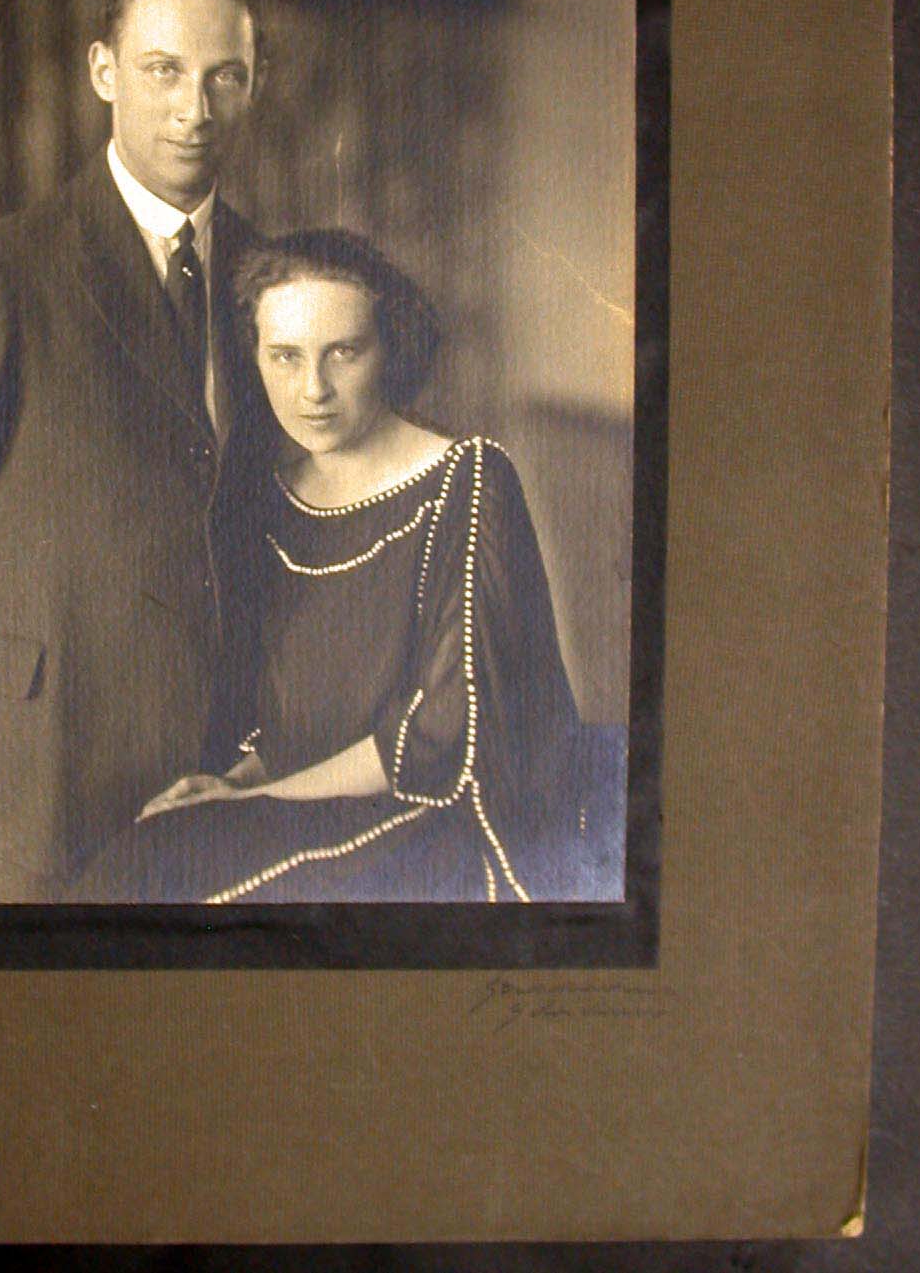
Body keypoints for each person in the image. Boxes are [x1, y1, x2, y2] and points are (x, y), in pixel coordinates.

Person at [0, 0, 275, 902]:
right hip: (33, 779)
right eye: (162, 70)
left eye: (223, 76)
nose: (194, 108)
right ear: (103, 71)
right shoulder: (4, 274)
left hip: (209, 771)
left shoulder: (268, 273)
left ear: (252, 84)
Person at [70, 229, 626, 904]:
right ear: (254, 357)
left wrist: (257, 800)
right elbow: (291, 717)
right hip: (303, 805)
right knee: (133, 865)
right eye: (284, 356)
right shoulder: (269, 500)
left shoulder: (469, 477)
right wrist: (235, 783)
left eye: (343, 352)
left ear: (388, 348)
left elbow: (448, 736)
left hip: (438, 821)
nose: (313, 389)